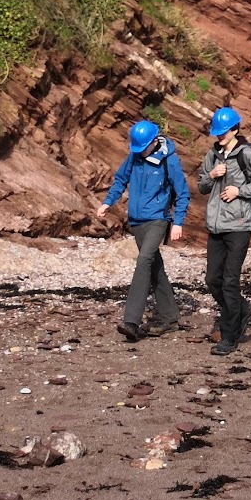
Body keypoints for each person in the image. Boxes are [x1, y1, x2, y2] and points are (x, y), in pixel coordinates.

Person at [97, 119, 189, 341]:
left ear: (155, 142)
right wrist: (108, 202)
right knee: (155, 268)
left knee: (144, 260)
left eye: (143, 147)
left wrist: (177, 222)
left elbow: (183, 193)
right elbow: (120, 180)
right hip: (136, 221)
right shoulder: (134, 157)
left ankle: (131, 321)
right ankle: (170, 318)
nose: (140, 152)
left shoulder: (170, 161)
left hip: (158, 219)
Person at [198, 106, 251, 356]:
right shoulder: (213, 154)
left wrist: (239, 191)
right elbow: (201, 186)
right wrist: (211, 175)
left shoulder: (247, 154)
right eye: (217, 132)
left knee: (230, 281)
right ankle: (242, 309)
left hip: (240, 225)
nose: (219, 136)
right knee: (213, 280)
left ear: (235, 129)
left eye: (223, 132)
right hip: (216, 225)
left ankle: (229, 336)